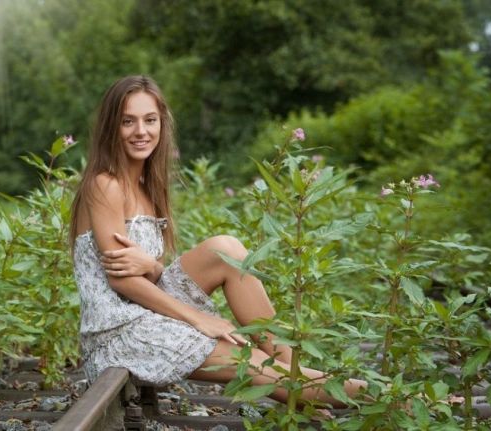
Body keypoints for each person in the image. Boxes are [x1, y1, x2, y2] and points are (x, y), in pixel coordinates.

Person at [69, 75, 367, 406]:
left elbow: (143, 273)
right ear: (112, 127)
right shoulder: (104, 185)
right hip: (119, 332)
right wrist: (199, 319)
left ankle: (294, 368)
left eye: (150, 120)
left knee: (224, 248)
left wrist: (152, 265)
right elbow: (123, 282)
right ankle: (383, 398)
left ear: (161, 124)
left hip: (145, 310)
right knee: (247, 359)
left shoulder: (144, 185)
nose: (141, 131)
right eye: (128, 121)